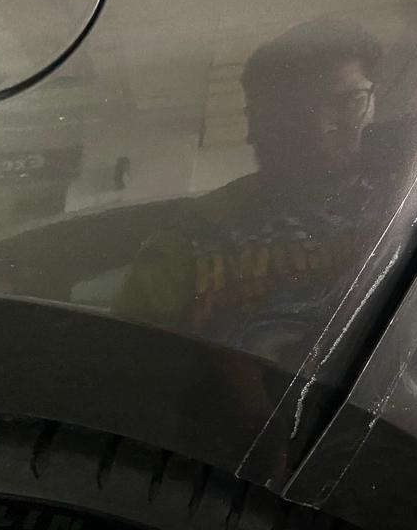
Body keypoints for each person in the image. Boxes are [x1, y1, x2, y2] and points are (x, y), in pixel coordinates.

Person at [115, 18, 387, 369]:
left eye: (348, 101)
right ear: (254, 123)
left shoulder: (416, 212)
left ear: (375, 103)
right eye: (291, 109)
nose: (320, 126)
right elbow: (123, 369)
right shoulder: (187, 241)